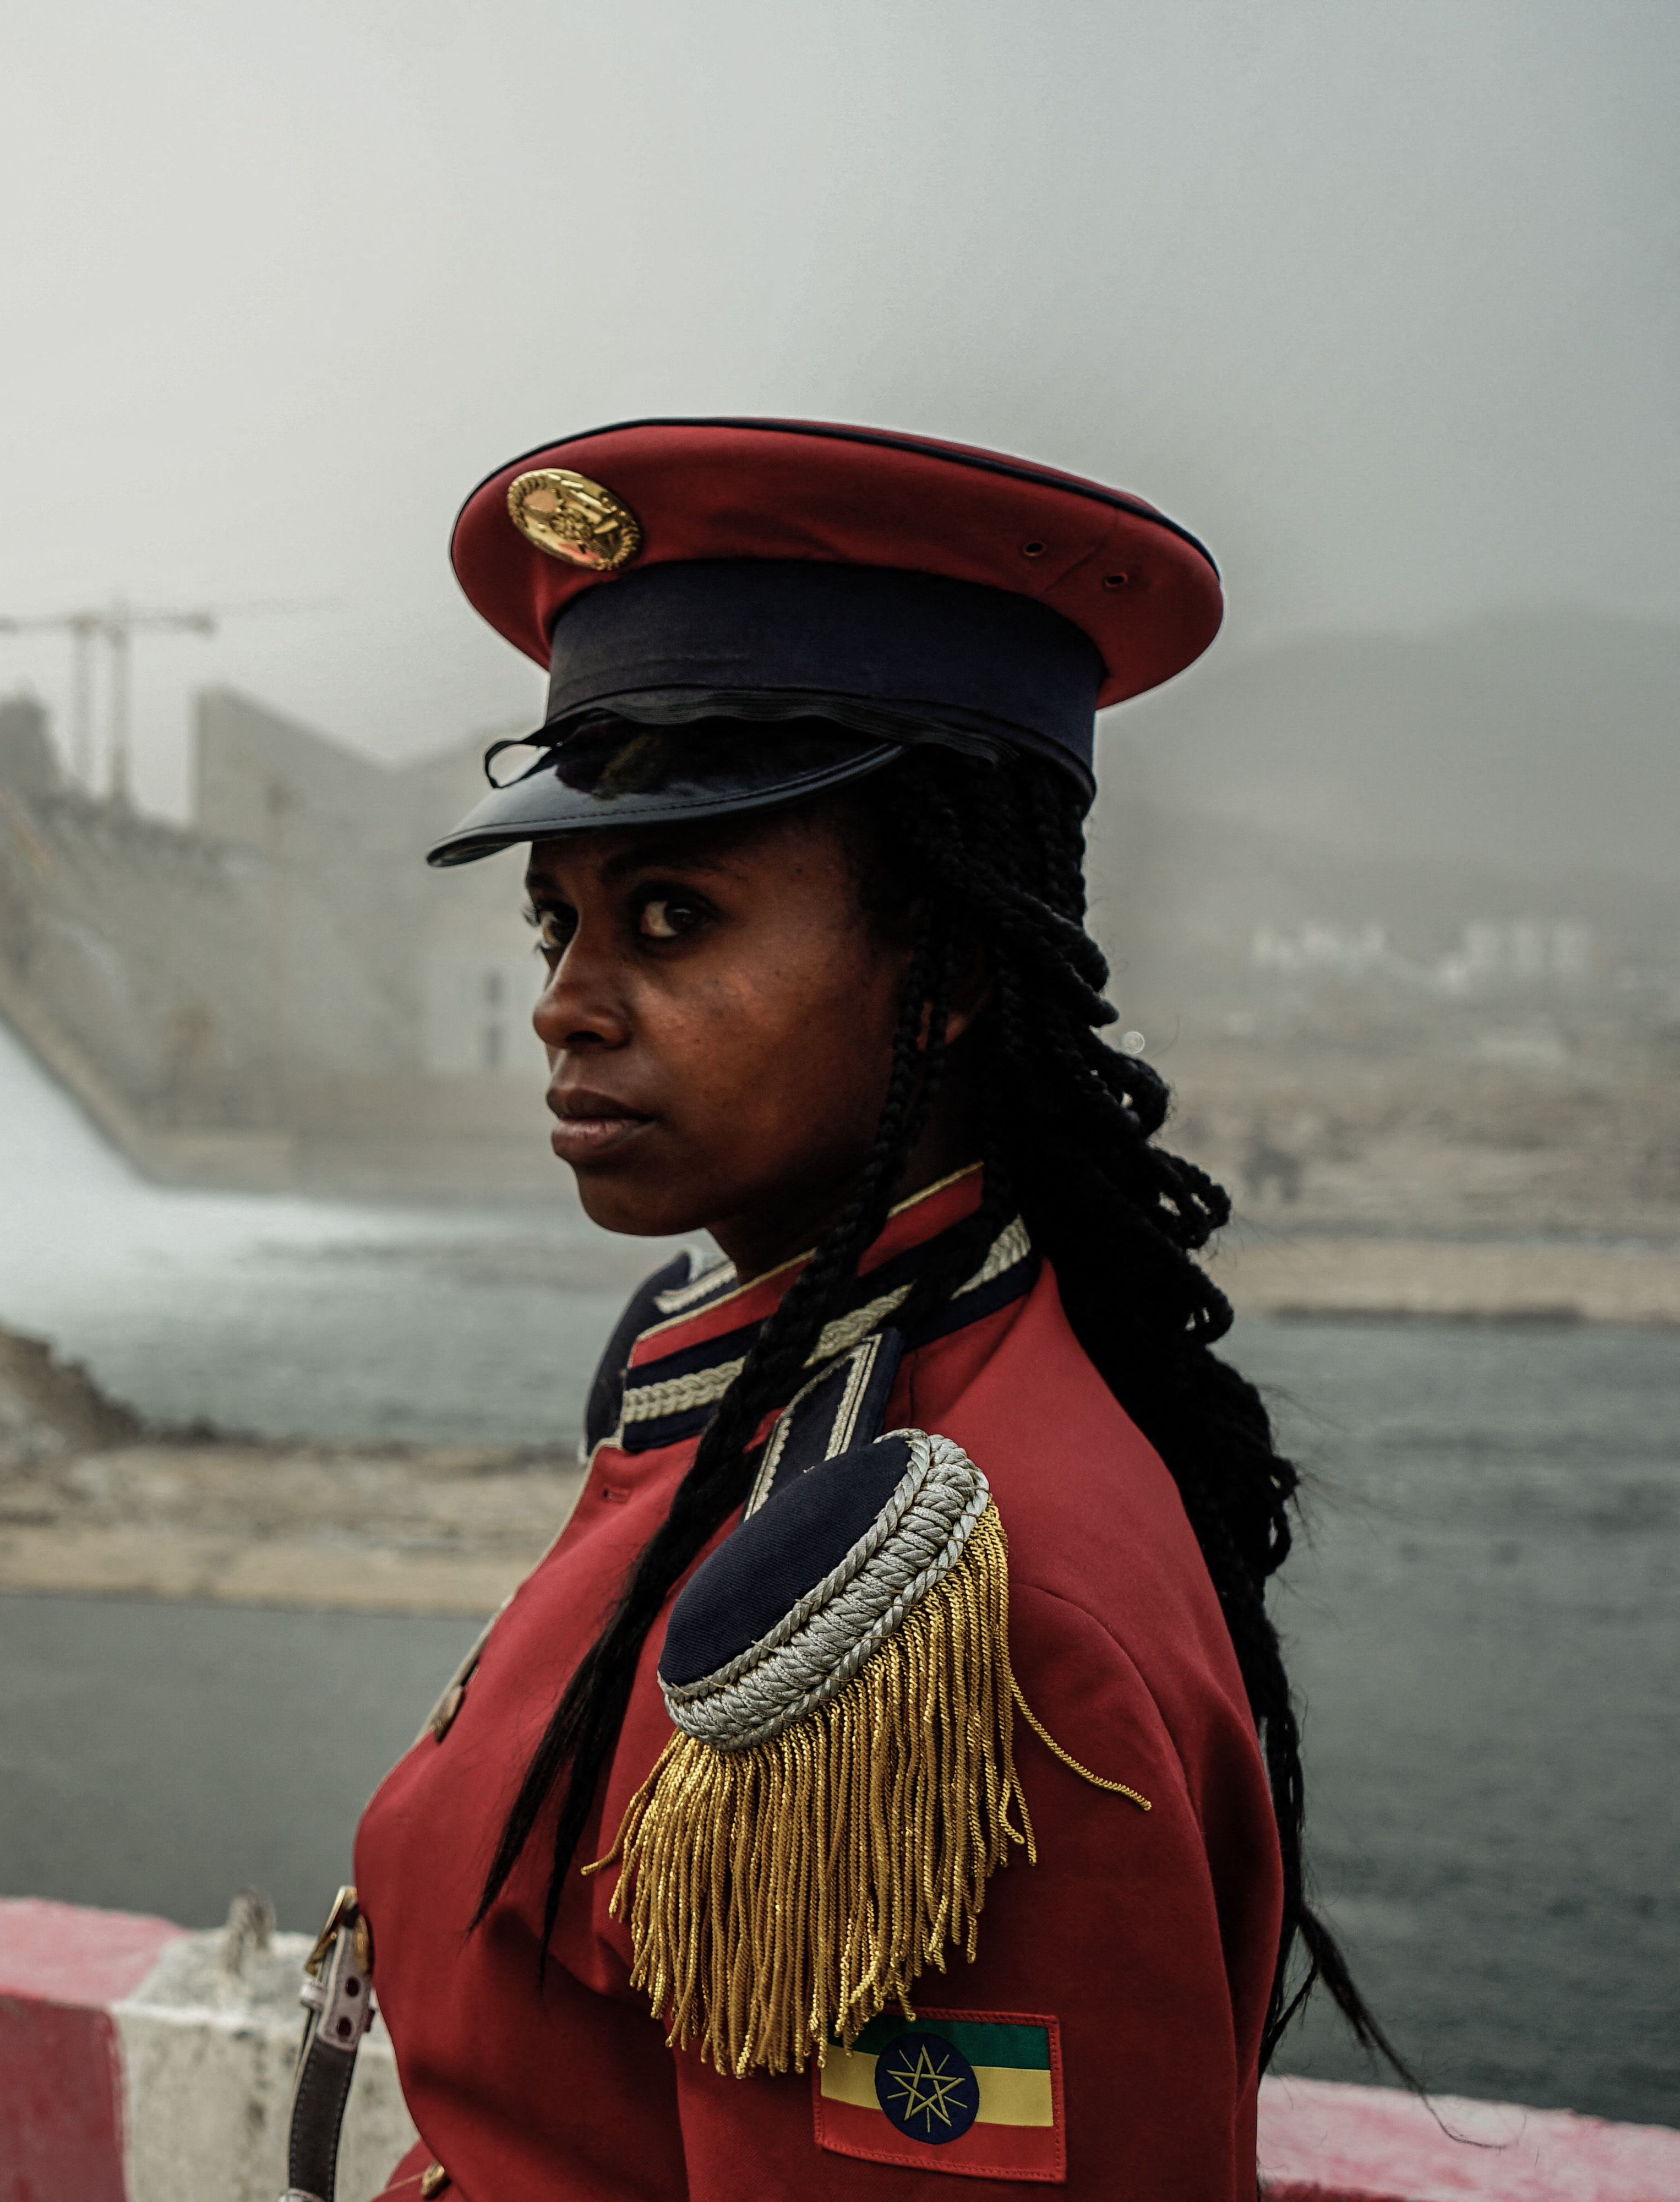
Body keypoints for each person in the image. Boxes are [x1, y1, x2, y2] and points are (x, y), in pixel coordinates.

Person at [330, 421, 1401, 2198]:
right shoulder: (782, 1393)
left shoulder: (961, 1632)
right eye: (559, 927)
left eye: (671, 916)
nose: (567, 1006)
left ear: (956, 976)